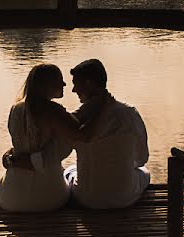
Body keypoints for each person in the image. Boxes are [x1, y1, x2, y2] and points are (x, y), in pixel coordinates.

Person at [0, 64, 106, 212]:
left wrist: (10, 156)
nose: (64, 84)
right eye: (59, 80)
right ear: (45, 85)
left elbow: (24, 145)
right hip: (48, 198)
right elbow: (83, 135)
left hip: (9, 197)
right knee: (69, 178)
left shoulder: (15, 109)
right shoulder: (53, 110)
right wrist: (102, 109)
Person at [64, 59, 150, 209]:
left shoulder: (75, 120)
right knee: (144, 171)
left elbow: (63, 150)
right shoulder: (130, 114)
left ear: (88, 84)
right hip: (124, 199)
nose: (73, 90)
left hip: (86, 199)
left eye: (76, 84)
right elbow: (142, 158)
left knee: (70, 170)